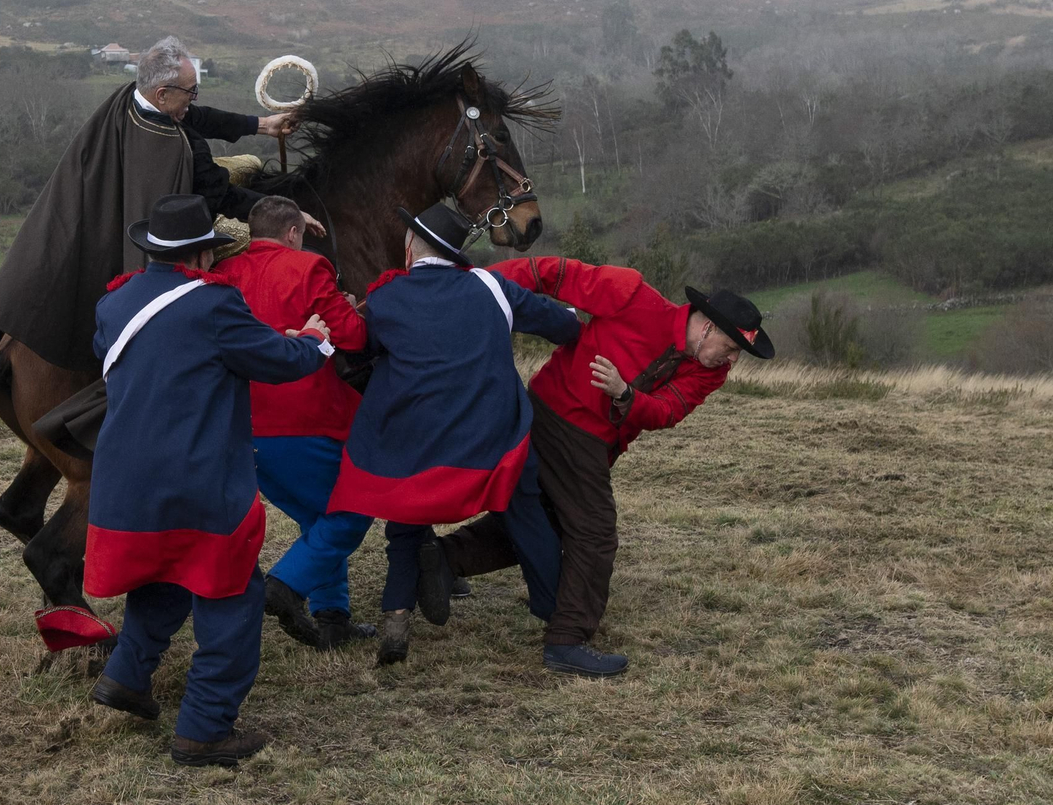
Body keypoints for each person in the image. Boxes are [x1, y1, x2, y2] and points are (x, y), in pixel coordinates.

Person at [84, 193, 333, 767]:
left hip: (124, 483)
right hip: (198, 482)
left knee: (165, 575)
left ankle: (127, 677)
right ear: (200, 256)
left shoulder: (113, 305)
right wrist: (315, 338)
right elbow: (279, 362)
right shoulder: (215, 306)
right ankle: (204, 729)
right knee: (233, 598)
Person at [439, 257, 775, 678]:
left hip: (594, 443)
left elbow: (668, 411)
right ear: (707, 327)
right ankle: (567, 640)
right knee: (595, 532)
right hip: (559, 415)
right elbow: (548, 273)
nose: (732, 361)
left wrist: (625, 394)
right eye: (730, 348)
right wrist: (477, 285)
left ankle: (438, 562)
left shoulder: (712, 372)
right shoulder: (630, 294)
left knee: (547, 519)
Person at [324, 203, 582, 665]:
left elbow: (360, 348)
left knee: (404, 516)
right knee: (527, 511)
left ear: (409, 248)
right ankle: (555, 612)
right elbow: (561, 326)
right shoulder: (490, 285)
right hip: (492, 442)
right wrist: (575, 317)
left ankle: (396, 623)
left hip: (414, 447)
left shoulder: (385, 300)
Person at [0, 34, 314, 375]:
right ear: (163, 94)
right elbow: (222, 196)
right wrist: (284, 212)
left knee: (250, 163)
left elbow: (198, 116)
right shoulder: (175, 148)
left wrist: (262, 125)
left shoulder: (135, 99)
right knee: (247, 245)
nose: (193, 99)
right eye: (189, 92)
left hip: (156, 191)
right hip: (190, 211)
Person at [212, 196, 377, 650]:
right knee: (352, 510)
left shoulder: (225, 274)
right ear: (292, 233)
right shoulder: (309, 268)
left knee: (316, 516)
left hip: (245, 427)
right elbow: (353, 336)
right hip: (307, 419)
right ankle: (285, 585)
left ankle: (332, 618)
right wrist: (348, 308)